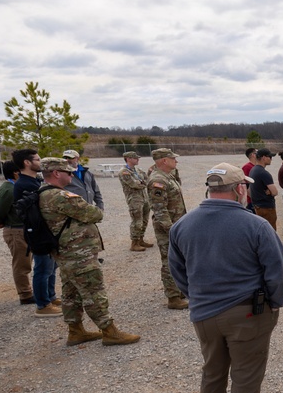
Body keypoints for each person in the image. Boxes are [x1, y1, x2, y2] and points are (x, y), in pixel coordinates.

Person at [169, 163, 283, 393]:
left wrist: (198, 296)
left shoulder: (182, 225)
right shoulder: (255, 225)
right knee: (246, 375)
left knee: (213, 370)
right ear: (239, 189)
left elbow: (177, 272)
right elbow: (277, 272)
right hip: (247, 313)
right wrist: (275, 302)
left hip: (204, 314)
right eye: (244, 187)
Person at [38, 157, 140, 347]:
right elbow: (95, 214)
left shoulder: (42, 193)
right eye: (68, 172)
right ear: (56, 173)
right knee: (94, 291)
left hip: (65, 253)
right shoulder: (60, 196)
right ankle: (110, 332)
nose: (72, 174)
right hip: (78, 253)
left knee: (70, 292)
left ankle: (75, 331)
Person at [12, 148, 60, 317]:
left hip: (46, 230)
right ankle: (43, 305)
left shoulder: (34, 181)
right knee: (43, 269)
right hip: (38, 233)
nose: (40, 163)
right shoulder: (24, 184)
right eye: (38, 159)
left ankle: (50, 296)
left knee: (52, 267)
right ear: (27, 162)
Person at [147, 148, 189, 310]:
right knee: (169, 260)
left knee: (178, 258)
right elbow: (159, 209)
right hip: (168, 228)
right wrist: (171, 230)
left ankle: (178, 289)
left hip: (176, 224)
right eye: (173, 159)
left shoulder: (168, 176)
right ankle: (172, 297)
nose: (176, 161)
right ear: (164, 160)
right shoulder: (158, 180)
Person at [0, 160, 34, 304]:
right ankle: (25, 295)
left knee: (27, 262)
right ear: (16, 172)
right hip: (16, 231)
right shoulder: (8, 190)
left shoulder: (15, 187)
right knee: (21, 265)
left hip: (22, 229)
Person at [118, 151, 154, 251]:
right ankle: (134, 243)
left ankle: (141, 239)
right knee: (137, 221)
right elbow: (135, 185)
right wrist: (142, 183)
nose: (137, 159)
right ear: (128, 159)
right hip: (134, 199)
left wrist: (143, 181)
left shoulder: (137, 170)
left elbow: (147, 180)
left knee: (144, 220)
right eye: (135, 158)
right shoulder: (124, 172)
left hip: (144, 197)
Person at [249, 149, 279, 229]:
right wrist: (269, 192)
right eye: (270, 157)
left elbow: (249, 191)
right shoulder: (264, 173)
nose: (271, 159)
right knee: (270, 231)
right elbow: (275, 192)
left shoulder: (253, 170)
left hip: (257, 206)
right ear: (263, 158)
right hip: (267, 208)